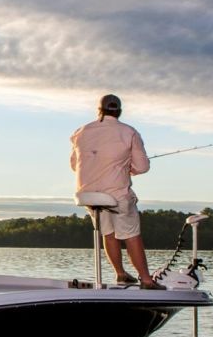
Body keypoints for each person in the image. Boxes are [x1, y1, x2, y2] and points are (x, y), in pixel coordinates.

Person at [69, 94, 164, 290]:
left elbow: (74, 165)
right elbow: (143, 166)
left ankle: (120, 274)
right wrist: (130, 168)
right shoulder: (129, 132)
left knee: (108, 232)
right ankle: (146, 280)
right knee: (131, 234)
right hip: (116, 194)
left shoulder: (80, 132)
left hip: (87, 194)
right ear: (119, 111)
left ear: (99, 110)